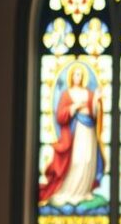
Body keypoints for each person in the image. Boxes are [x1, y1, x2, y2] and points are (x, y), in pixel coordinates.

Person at [39, 63, 105, 205]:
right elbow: (60, 116)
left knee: (88, 159)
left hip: (89, 131)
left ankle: (85, 192)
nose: (78, 77)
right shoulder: (66, 94)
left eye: (80, 75)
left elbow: (94, 113)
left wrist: (96, 100)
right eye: (75, 74)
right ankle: (69, 192)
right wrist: (74, 107)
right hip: (76, 132)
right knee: (76, 160)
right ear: (71, 77)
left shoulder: (89, 93)